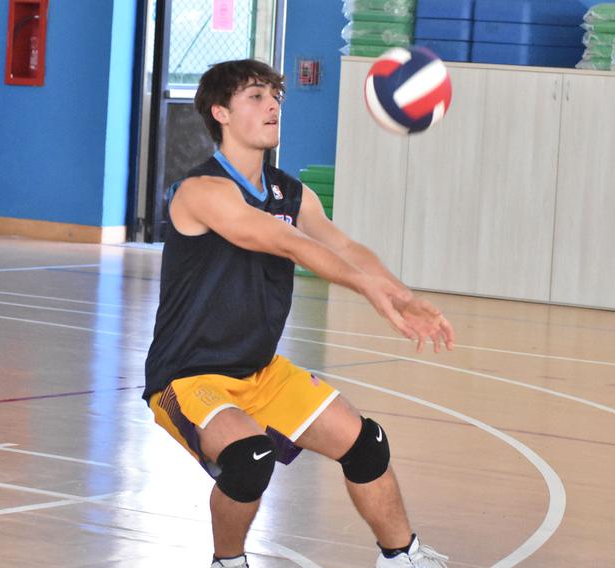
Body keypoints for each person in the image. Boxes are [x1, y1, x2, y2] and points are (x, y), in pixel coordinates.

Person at [143, 58, 455, 568]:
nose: (272, 106)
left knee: (367, 444)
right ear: (220, 112)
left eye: (275, 97)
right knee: (250, 459)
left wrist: (401, 295)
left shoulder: (290, 191)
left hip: (260, 370)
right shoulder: (201, 191)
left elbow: (345, 245)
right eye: (255, 97)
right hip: (189, 375)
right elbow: (282, 240)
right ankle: (228, 562)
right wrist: (367, 291)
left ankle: (401, 557)